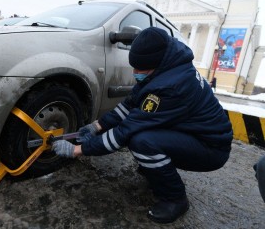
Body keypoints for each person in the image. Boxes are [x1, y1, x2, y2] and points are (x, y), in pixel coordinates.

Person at [52, 27, 233, 224]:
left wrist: (78, 150)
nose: (136, 73)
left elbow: (124, 132)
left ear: (155, 65)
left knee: (141, 141)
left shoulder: (171, 86)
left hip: (211, 148)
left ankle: (175, 199)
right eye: (134, 68)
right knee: (142, 134)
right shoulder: (167, 66)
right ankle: (155, 169)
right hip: (192, 132)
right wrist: (97, 126)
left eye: (140, 70)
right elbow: (130, 104)